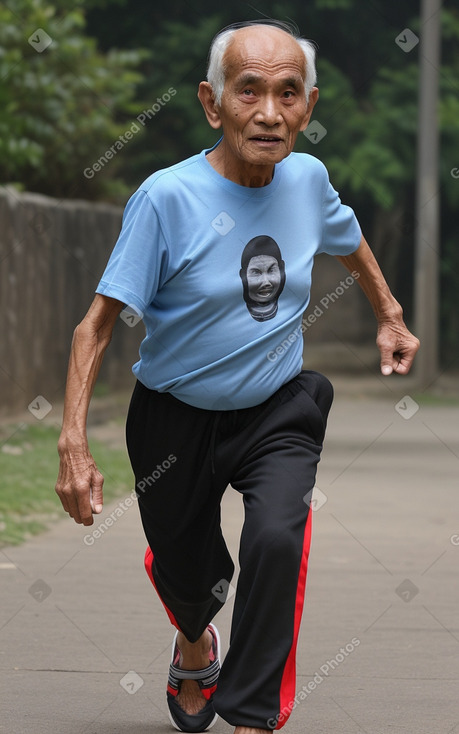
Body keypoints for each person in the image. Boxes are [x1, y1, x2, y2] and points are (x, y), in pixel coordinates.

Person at [55, 19, 420, 734]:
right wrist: (72, 441)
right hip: (172, 416)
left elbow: (348, 241)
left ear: (308, 107)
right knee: (191, 579)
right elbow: (94, 325)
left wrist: (389, 312)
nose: (268, 112)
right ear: (210, 101)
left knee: (276, 541)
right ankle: (195, 639)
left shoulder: (308, 180)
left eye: (288, 94)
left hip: (276, 408)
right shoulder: (167, 198)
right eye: (247, 89)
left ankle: (250, 714)